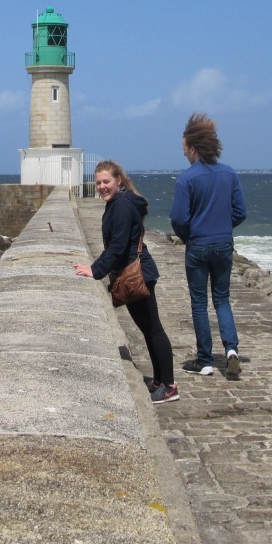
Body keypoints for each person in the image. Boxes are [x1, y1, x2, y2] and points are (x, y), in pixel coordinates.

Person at [75, 160, 179, 404]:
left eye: (106, 182)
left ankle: (169, 385)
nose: (101, 186)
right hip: (135, 271)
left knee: (153, 328)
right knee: (147, 329)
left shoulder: (121, 205)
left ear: (118, 180)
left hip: (138, 272)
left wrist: (95, 270)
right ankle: (159, 380)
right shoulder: (118, 202)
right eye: (98, 182)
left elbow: (119, 247)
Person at [169, 112, 247, 380]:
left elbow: (178, 218)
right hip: (223, 243)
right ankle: (232, 350)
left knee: (200, 302)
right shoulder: (229, 174)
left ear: (194, 148)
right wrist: (223, 227)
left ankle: (204, 359)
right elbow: (240, 211)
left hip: (199, 244)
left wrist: (190, 235)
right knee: (222, 299)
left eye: (185, 150)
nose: (184, 155)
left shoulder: (187, 179)